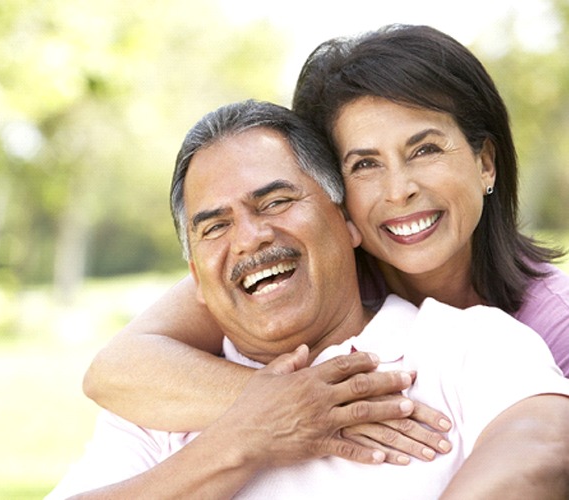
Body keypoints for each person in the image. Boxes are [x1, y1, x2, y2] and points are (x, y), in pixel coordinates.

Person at [82, 24, 569, 463]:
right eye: (364, 164)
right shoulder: (308, 269)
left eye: (424, 150)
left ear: (485, 162)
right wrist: (312, 405)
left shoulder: (550, 323)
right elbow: (117, 370)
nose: (399, 189)